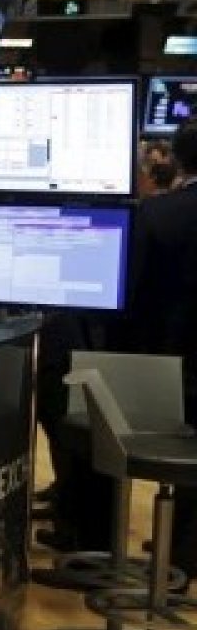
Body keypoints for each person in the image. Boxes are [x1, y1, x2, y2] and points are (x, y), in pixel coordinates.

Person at [124, 118, 197, 579]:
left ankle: (177, 546)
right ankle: (185, 545)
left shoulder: (159, 213)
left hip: (173, 356)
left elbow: (136, 291)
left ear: (177, 158)